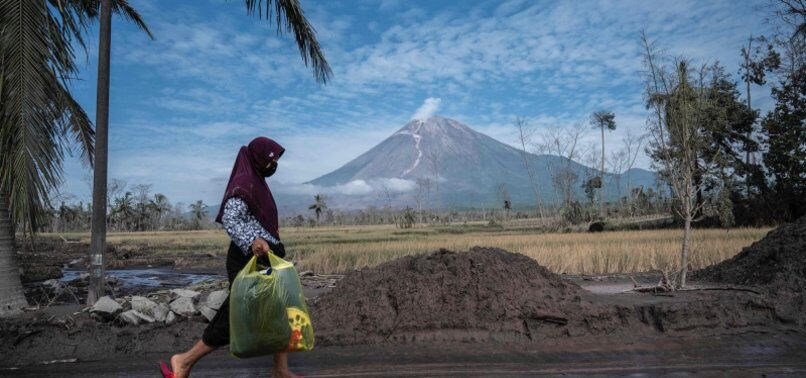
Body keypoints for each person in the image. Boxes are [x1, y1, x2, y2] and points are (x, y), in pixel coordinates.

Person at [160, 137, 297, 378]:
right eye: (270, 159)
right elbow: (232, 219)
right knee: (236, 317)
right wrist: (253, 240)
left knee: (278, 311)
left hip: (266, 256)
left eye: (275, 160)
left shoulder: (257, 182)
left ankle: (280, 370)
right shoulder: (245, 182)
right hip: (248, 257)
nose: (273, 165)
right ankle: (183, 361)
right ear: (258, 158)